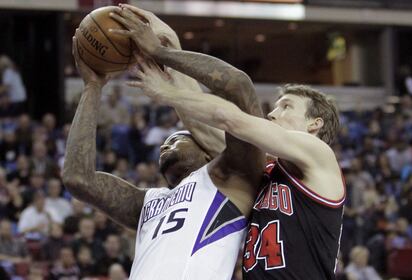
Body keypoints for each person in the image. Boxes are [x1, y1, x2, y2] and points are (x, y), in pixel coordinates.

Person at [110, 5, 345, 279]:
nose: (272, 113)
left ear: (314, 123)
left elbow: (231, 119)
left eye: (286, 107)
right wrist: (172, 50)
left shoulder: (318, 154)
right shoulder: (266, 169)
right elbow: (203, 125)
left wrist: (166, 82)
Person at [62, 8, 264, 280]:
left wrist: (161, 52)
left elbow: (239, 86)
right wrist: (93, 87)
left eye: (178, 137)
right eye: (165, 143)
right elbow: (78, 179)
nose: (165, 146)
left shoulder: (232, 177)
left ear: (209, 154)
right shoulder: (148, 202)